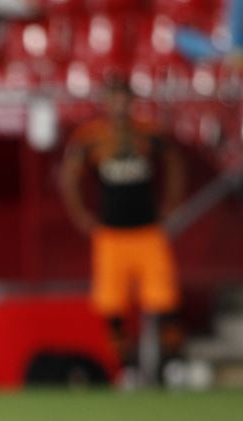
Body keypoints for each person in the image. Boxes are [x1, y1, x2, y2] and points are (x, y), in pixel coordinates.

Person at [59, 76, 186, 386]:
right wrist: (82, 217)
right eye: (113, 99)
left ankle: (172, 365)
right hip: (111, 235)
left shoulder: (149, 133)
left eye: (124, 99)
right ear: (104, 102)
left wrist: (171, 205)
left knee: (164, 301)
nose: (119, 106)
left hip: (148, 231)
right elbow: (69, 177)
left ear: (132, 101)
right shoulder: (91, 137)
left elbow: (175, 164)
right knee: (112, 306)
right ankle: (127, 367)